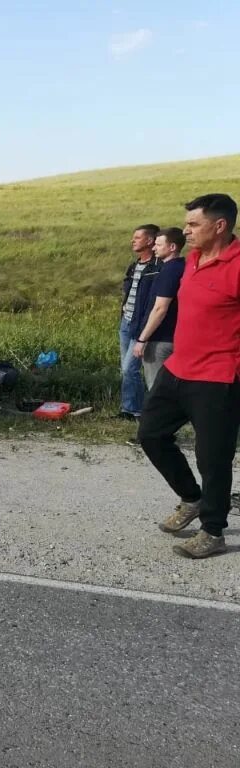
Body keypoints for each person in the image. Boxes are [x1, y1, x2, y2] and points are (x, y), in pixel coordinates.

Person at [138, 194, 240, 559]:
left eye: (194, 224)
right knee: (150, 435)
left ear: (220, 226)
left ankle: (213, 532)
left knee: (212, 457)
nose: (186, 230)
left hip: (219, 377)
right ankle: (192, 498)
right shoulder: (192, 260)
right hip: (178, 368)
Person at [131, 227, 186, 387]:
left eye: (159, 245)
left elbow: (160, 308)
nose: (154, 248)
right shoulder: (184, 266)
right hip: (177, 337)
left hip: (160, 340)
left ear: (172, 247)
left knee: (156, 389)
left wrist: (142, 339)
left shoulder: (169, 271)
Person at [119, 224, 159, 418]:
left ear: (150, 241)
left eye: (137, 237)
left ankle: (136, 410)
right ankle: (129, 408)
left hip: (140, 325)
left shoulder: (157, 268)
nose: (132, 240)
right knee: (126, 369)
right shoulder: (134, 265)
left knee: (130, 368)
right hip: (126, 322)